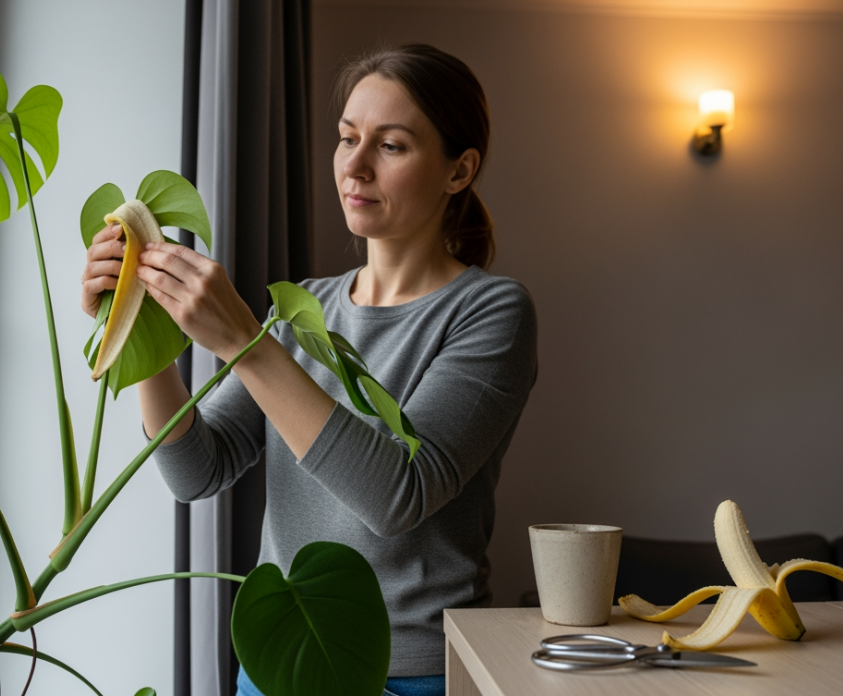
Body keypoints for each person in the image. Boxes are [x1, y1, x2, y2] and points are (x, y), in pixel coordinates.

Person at [80, 44, 537, 696]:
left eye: (392, 146)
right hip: (278, 667)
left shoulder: (491, 311)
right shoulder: (305, 307)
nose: (354, 165)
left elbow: (397, 497)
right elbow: (195, 471)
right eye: (347, 137)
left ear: (459, 171)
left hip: (415, 676)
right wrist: (138, 325)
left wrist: (245, 338)